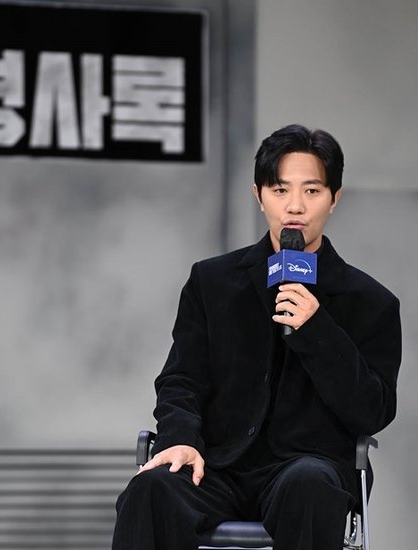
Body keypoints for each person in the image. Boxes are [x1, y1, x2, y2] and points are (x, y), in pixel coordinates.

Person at [112, 124, 402, 550]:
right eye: (280, 190)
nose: (295, 206)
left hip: (305, 470)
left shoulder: (371, 302)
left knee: (310, 484)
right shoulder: (212, 282)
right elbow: (181, 380)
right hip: (217, 468)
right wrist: (179, 440)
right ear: (259, 194)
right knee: (151, 488)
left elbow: (372, 411)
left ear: (335, 198)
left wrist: (317, 329)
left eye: (312, 191)